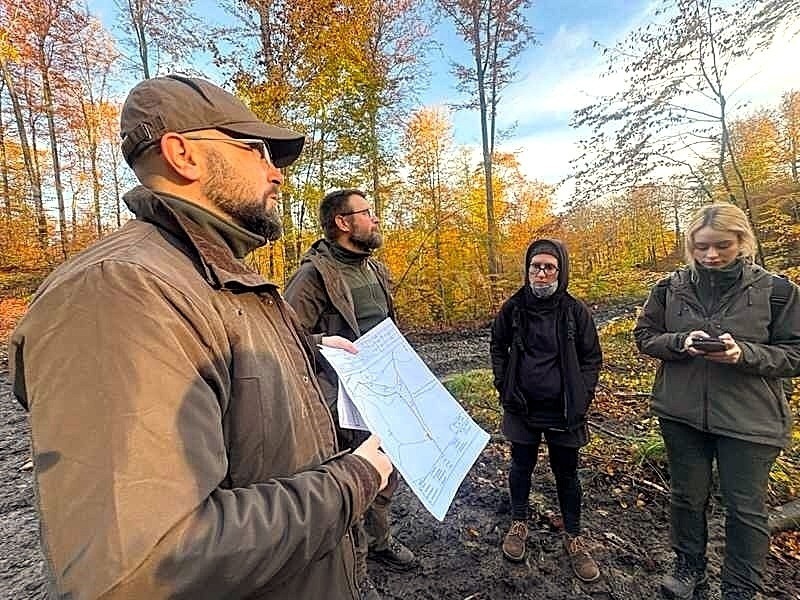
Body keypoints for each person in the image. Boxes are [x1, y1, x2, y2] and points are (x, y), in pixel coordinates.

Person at [8, 75, 394, 600]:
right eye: (256, 149)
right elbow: (144, 568)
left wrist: (306, 352)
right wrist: (356, 478)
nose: (275, 173)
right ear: (182, 155)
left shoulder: (208, 278)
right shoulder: (118, 292)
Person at [634, 203, 800, 600]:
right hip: (681, 414)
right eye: (702, 246)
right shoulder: (669, 288)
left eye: (722, 246)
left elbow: (795, 354)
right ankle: (689, 567)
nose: (711, 255)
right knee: (687, 497)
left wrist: (744, 354)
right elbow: (645, 335)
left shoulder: (777, 292)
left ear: (742, 241)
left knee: (746, 509)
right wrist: (680, 342)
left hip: (750, 420)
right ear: (690, 245)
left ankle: (741, 587)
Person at [284, 189, 415, 600]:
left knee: (388, 472)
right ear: (343, 223)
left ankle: (380, 541)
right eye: (366, 213)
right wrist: (325, 341)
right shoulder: (312, 277)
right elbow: (285, 337)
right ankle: (356, 574)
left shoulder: (373, 269)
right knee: (356, 480)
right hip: (342, 400)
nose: (374, 219)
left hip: (386, 390)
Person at [490, 238, 603, 582]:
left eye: (548, 267)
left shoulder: (575, 311)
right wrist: (504, 386)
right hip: (522, 407)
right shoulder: (513, 308)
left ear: (560, 271)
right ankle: (519, 522)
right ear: (527, 270)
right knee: (520, 465)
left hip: (565, 409)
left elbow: (591, 358)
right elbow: (498, 346)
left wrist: (581, 399)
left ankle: (573, 535)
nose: (541, 273)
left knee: (566, 473)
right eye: (535, 267)